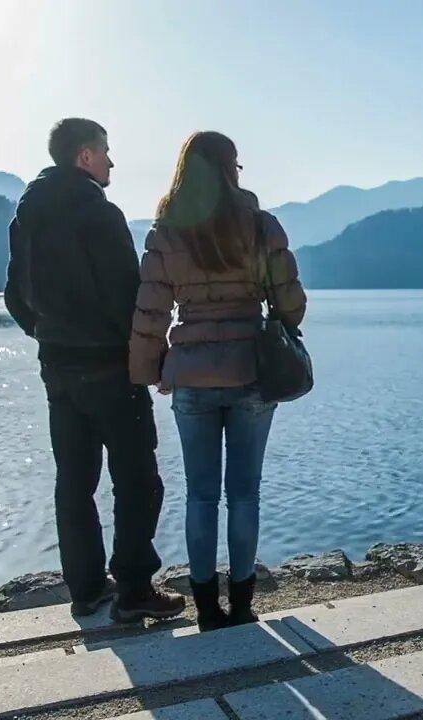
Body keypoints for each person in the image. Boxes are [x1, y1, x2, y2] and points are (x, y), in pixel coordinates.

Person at [5, 117, 185, 623]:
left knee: (75, 480)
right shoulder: (99, 213)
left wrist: (48, 337)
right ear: (85, 156)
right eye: (106, 152)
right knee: (138, 479)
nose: (111, 162)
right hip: (109, 367)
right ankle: (133, 590)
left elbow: (14, 297)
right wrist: (148, 358)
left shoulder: (26, 216)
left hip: (57, 370)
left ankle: (85, 589)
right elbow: (129, 297)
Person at [130, 131, 306, 631]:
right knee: (245, 493)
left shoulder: (165, 232)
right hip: (252, 371)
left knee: (201, 495)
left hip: (191, 379)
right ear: (231, 169)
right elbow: (292, 304)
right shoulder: (260, 226)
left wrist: (151, 370)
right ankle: (245, 605)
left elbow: (150, 312)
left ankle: (208, 609)